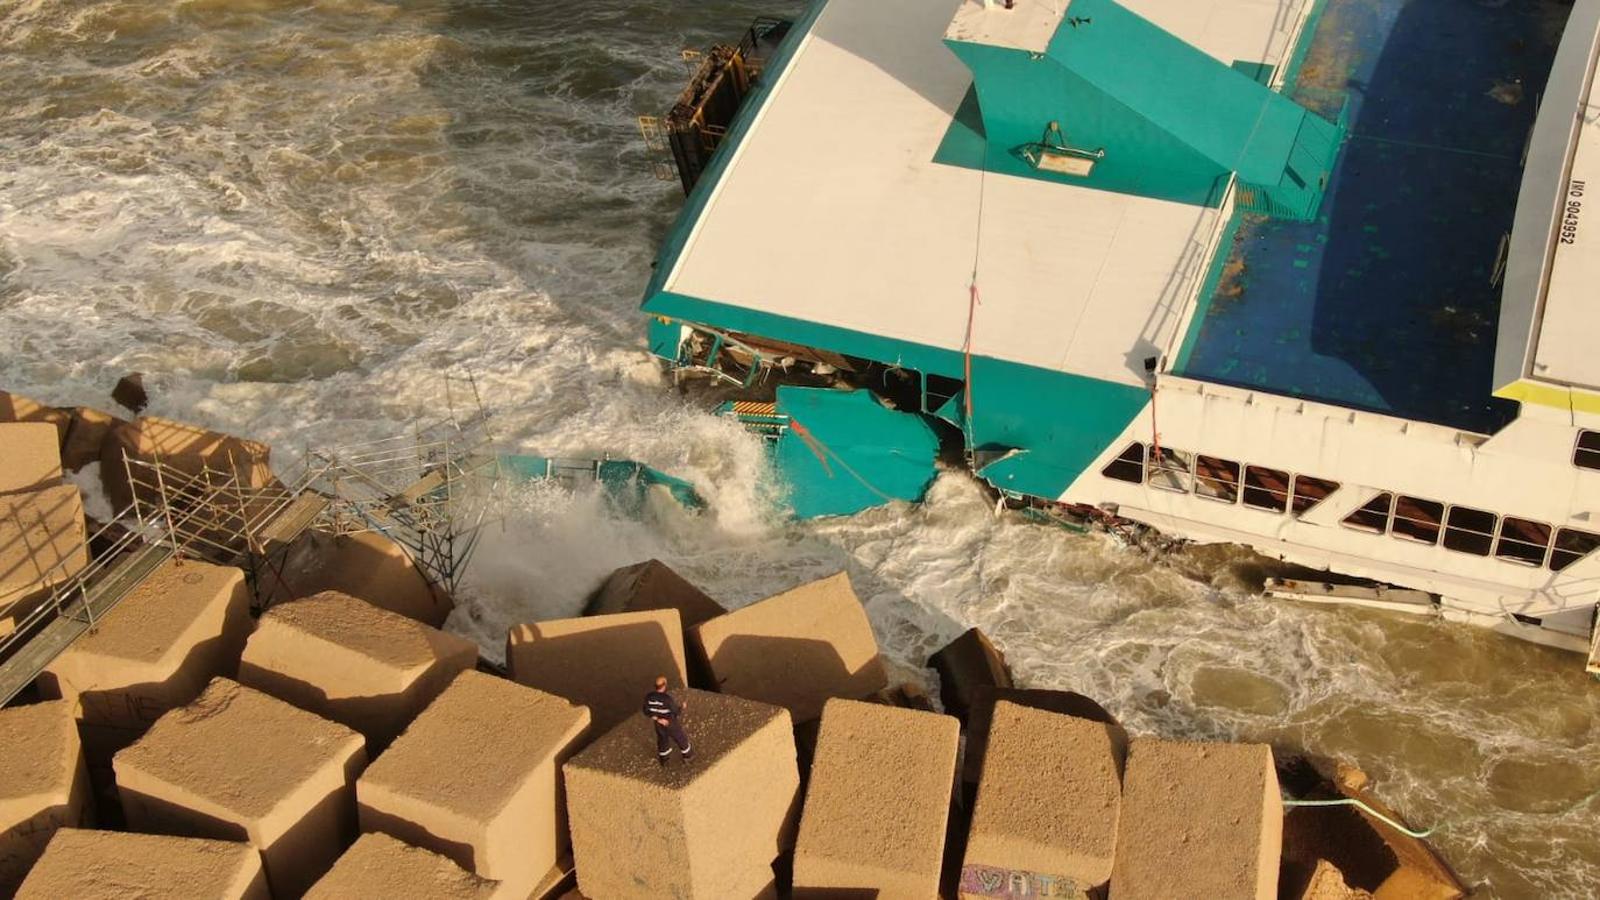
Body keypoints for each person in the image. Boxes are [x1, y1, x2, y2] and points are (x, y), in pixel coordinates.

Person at [643, 676, 694, 766]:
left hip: (658, 724)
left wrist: (658, 719)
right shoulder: (667, 699)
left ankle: (664, 760)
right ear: (664, 685)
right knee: (680, 738)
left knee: (662, 740)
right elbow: (676, 712)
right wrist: (682, 707)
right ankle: (688, 756)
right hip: (670, 723)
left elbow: (646, 711)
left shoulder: (649, 697)